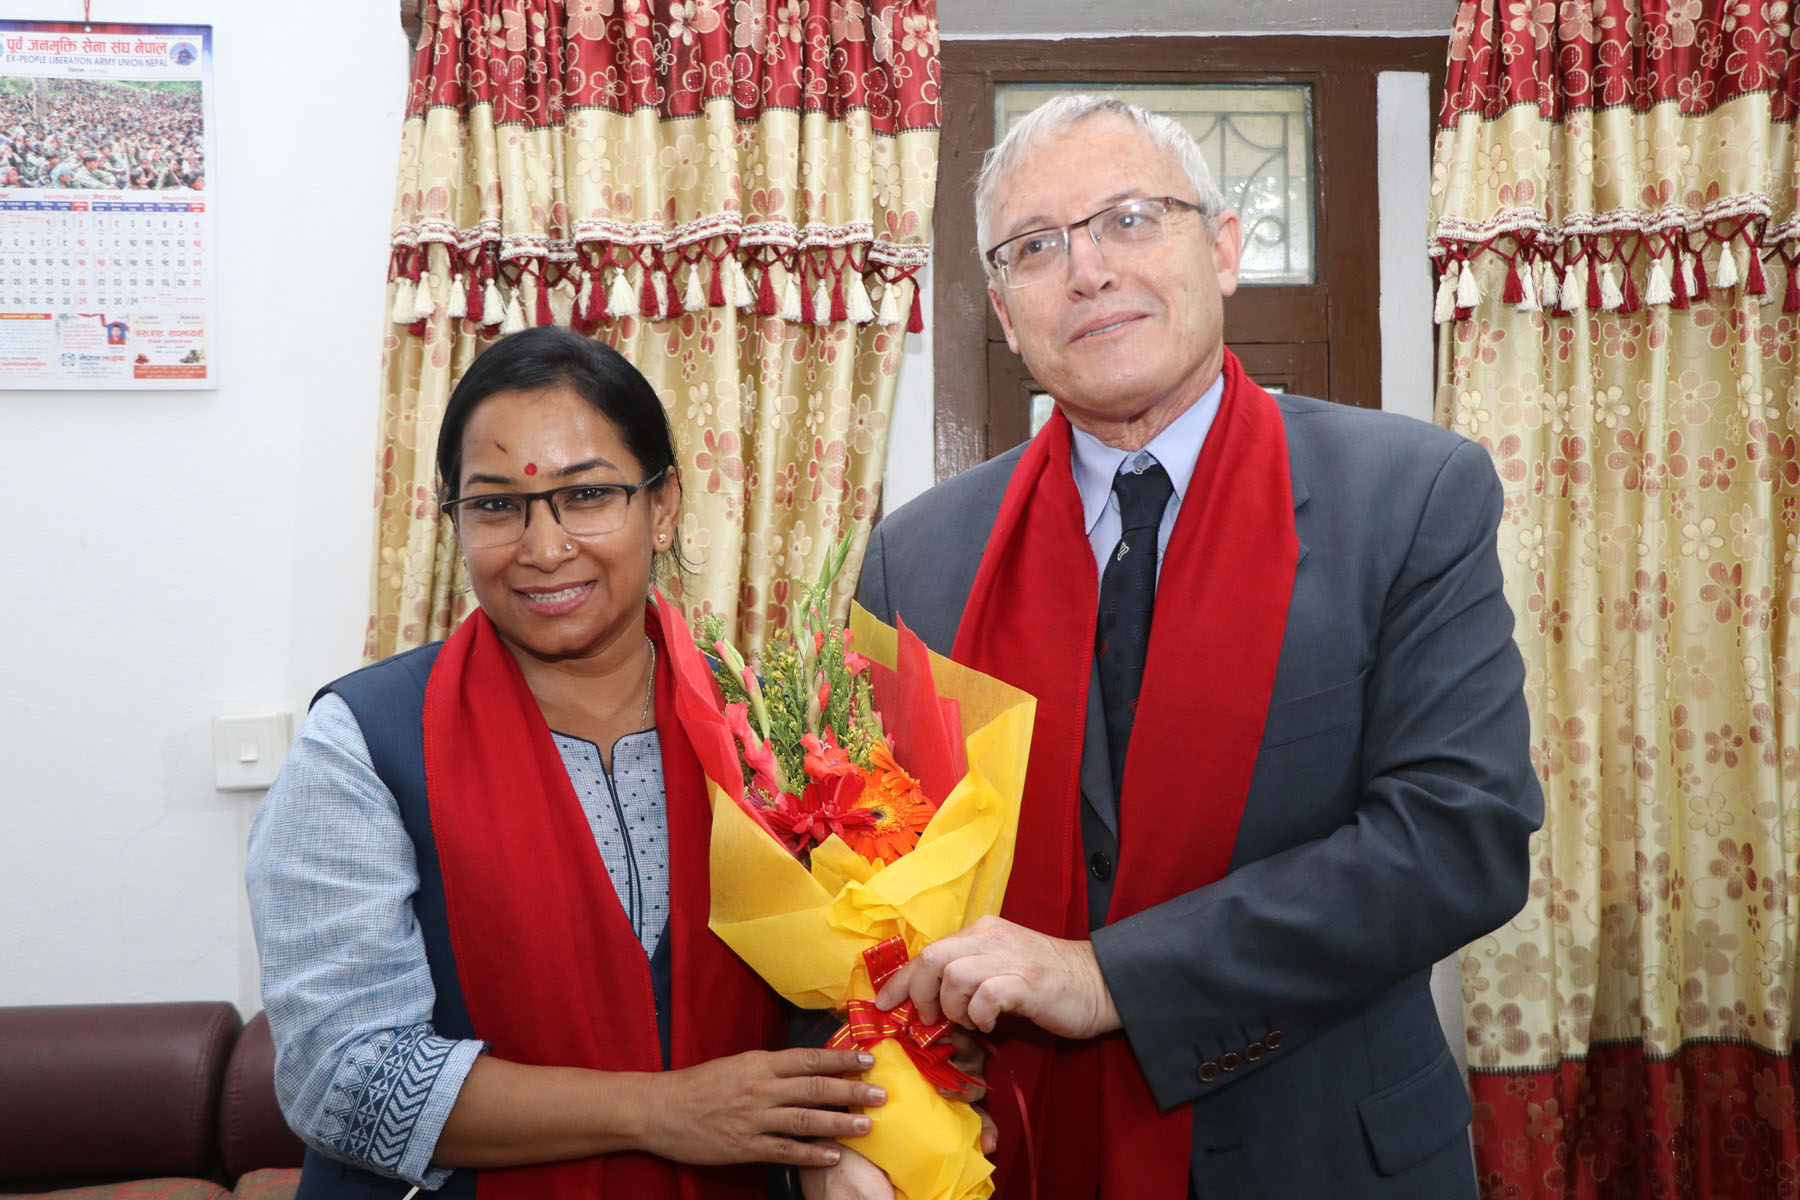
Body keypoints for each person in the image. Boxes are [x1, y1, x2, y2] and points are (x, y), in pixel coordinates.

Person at [854, 95, 1544, 1199]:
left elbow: (1457, 837)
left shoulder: (1409, 496)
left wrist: (1108, 978)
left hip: (1327, 1155)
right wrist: (865, 1118)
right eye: (1037, 247)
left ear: (1223, 248)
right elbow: (862, 884)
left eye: (1130, 220)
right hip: (1020, 1156)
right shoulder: (918, 561)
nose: (1086, 272)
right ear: (1002, 306)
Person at [248, 327, 884, 1199]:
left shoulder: (772, 727)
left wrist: (854, 1118)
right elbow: (343, 1076)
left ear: (662, 507)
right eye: (497, 505)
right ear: (456, 522)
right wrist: (661, 1111)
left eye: (587, 495)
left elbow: (828, 992)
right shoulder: (362, 743)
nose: (543, 547)